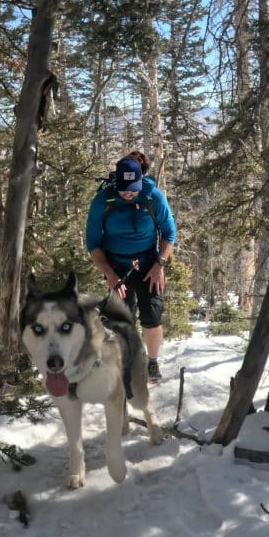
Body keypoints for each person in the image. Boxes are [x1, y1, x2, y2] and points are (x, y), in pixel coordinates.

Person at [86, 151, 177, 383]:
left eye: (133, 188)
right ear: (117, 182)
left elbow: (169, 233)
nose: (128, 193)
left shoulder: (153, 197)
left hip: (149, 263)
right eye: (124, 188)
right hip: (117, 266)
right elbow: (94, 244)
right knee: (123, 321)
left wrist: (160, 263)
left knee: (152, 317)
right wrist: (110, 274)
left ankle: (152, 362)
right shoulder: (103, 201)